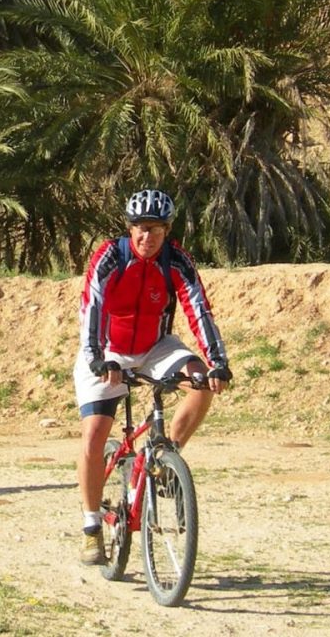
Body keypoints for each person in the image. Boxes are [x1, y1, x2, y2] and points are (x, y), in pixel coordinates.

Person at [74, 188, 231, 566]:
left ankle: (167, 456)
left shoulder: (176, 260)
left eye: (156, 231)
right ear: (130, 228)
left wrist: (218, 361)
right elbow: (91, 305)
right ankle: (92, 526)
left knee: (200, 379)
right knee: (95, 433)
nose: (148, 238)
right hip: (108, 348)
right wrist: (97, 358)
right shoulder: (111, 256)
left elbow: (199, 308)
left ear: (167, 231)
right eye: (141, 229)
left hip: (156, 346)